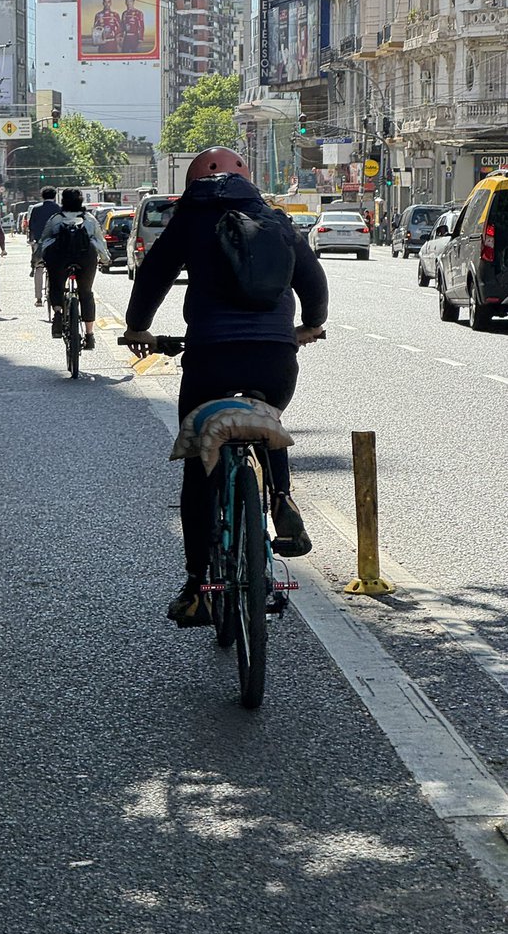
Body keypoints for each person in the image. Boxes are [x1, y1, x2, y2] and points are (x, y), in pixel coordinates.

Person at [122, 147, 328, 626]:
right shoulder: (275, 219)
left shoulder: (189, 220)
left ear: (193, 183)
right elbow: (314, 283)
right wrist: (309, 327)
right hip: (275, 359)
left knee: (199, 464)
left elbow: (153, 278)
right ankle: (281, 500)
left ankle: (198, 584)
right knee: (264, 416)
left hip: (210, 357)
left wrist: (137, 329)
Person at [35, 188, 110, 349]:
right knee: (86, 293)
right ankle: (89, 336)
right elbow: (99, 241)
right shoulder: (89, 219)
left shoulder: (56, 219)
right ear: (81, 201)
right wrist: (105, 259)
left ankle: (57, 314)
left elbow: (44, 240)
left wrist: (37, 260)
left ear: (63, 201)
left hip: (60, 258)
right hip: (85, 258)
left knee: (56, 286)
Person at [26, 186, 62, 306]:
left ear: (42, 196)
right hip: (56, 243)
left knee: (39, 269)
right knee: (57, 269)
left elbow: (31, 226)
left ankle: (38, 298)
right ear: (54, 196)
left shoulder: (36, 209)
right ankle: (58, 295)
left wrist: (31, 240)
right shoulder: (58, 208)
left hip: (40, 243)